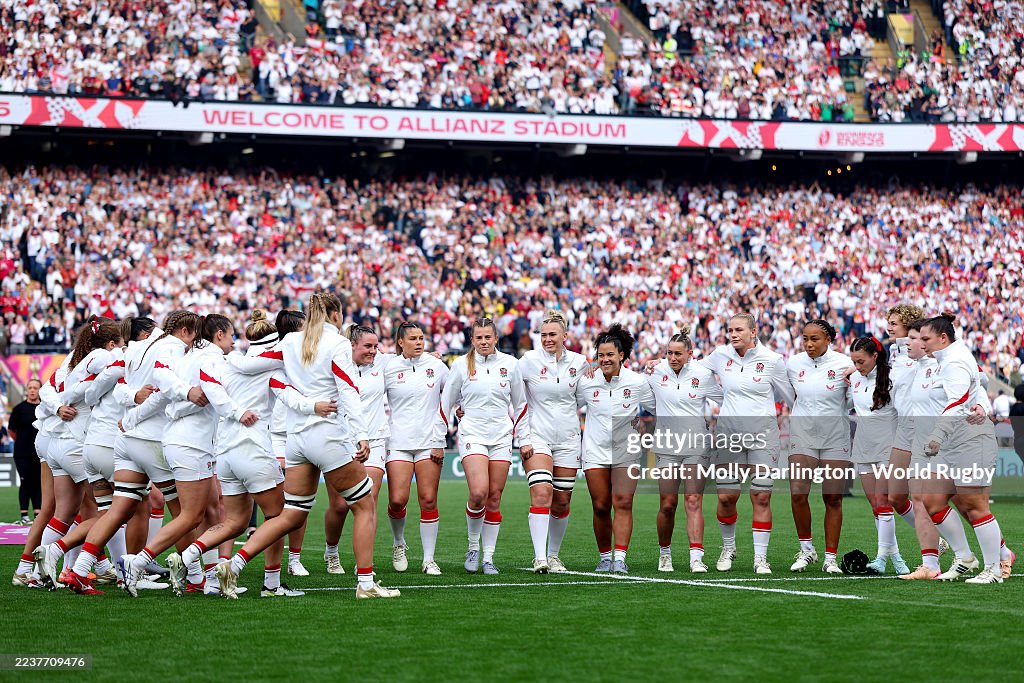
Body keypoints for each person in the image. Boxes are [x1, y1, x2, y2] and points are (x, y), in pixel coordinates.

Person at [215, 292, 399, 599]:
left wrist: (227, 355)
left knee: (291, 513)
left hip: (296, 439)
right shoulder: (337, 343)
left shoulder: (289, 343)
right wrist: (361, 434)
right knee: (365, 505)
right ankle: (366, 584)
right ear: (336, 315)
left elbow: (249, 366)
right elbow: (348, 389)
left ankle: (234, 564)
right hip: (327, 435)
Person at [179, 310, 315, 598]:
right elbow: (292, 398)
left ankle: (185, 557)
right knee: (278, 516)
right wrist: (319, 406)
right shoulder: (272, 368)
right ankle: (269, 583)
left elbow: (212, 389)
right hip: (252, 448)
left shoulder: (226, 363)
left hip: (224, 452)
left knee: (234, 522)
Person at [698, 314, 795, 575]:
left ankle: (760, 558)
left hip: (763, 435)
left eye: (738, 329)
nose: (733, 334)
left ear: (753, 332)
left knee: (761, 495)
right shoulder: (719, 354)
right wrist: (657, 364)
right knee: (727, 496)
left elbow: (791, 396)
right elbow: (692, 370)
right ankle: (728, 547)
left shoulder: (773, 360)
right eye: (730, 330)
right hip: (729, 434)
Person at [917, 313, 1006, 584]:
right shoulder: (951, 356)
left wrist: (936, 435)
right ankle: (965, 558)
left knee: (974, 504)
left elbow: (958, 402)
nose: (922, 344)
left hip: (971, 438)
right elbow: (979, 381)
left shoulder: (953, 360)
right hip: (954, 441)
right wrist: (982, 403)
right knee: (932, 500)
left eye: (926, 339)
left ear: (942, 338)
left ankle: (994, 569)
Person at [440, 317, 529, 576]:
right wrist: (439, 437)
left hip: (501, 436)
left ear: (496, 338)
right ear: (472, 340)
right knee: (479, 493)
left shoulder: (510, 365)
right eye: (479, 338)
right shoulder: (460, 366)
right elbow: (447, 403)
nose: (484, 342)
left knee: (494, 497)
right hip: (473, 434)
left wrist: (522, 439)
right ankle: (473, 547)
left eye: (488, 337)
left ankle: (488, 557)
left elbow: (520, 404)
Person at [575, 324, 654, 574]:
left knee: (623, 502)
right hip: (595, 451)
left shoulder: (638, 382)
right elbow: (564, 405)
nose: (605, 359)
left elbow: (661, 406)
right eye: (601, 355)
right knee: (600, 505)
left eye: (610, 354)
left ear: (621, 355)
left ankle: (620, 557)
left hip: (626, 452)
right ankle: (605, 557)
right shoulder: (587, 382)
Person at [644, 325, 722, 573]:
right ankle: (664, 553)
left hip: (696, 446)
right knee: (668, 503)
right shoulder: (655, 371)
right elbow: (644, 398)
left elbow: (725, 399)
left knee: (693, 499)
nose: (674, 358)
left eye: (679, 353)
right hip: (666, 446)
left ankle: (696, 556)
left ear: (690, 354)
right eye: (669, 353)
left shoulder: (703, 375)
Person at [516, 310, 589, 573]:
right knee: (542, 493)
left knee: (562, 500)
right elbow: (503, 386)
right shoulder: (527, 361)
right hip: (537, 435)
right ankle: (540, 558)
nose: (547, 339)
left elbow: (597, 390)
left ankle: (554, 555)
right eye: (543, 335)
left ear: (564, 336)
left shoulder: (580, 362)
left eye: (552, 335)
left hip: (569, 437)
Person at [382, 321, 449, 575]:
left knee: (428, 499)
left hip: (429, 442)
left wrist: (459, 411)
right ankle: (399, 543)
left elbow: (455, 393)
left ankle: (428, 559)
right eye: (413, 339)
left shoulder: (436, 366)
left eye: (421, 338)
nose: (419, 342)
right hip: (397, 441)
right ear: (400, 342)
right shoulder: (387, 366)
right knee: (398, 500)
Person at [786, 320, 853, 575]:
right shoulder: (793, 364)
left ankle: (830, 558)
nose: (808, 344)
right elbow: (786, 391)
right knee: (798, 493)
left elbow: (851, 401)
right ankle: (806, 550)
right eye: (805, 338)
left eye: (815, 339)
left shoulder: (844, 364)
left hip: (835, 437)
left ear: (828, 340)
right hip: (802, 435)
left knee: (833, 498)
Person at [849, 336, 911, 575]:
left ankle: (881, 559)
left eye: (861, 361)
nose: (857, 367)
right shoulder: (854, 377)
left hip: (888, 446)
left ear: (875, 356)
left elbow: (905, 413)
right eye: (854, 362)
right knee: (876, 505)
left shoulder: (892, 378)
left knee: (884, 503)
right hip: (863, 447)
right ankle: (895, 558)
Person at [7, 379, 42, 526]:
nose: (32, 390)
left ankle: (38, 514)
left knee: (38, 482)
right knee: (25, 481)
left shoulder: (44, 408)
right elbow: (11, 431)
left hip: (40, 453)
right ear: (26, 390)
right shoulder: (19, 409)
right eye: (30, 388)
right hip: (22, 453)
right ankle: (23, 515)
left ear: (40, 390)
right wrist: (23, 442)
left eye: (35, 388)